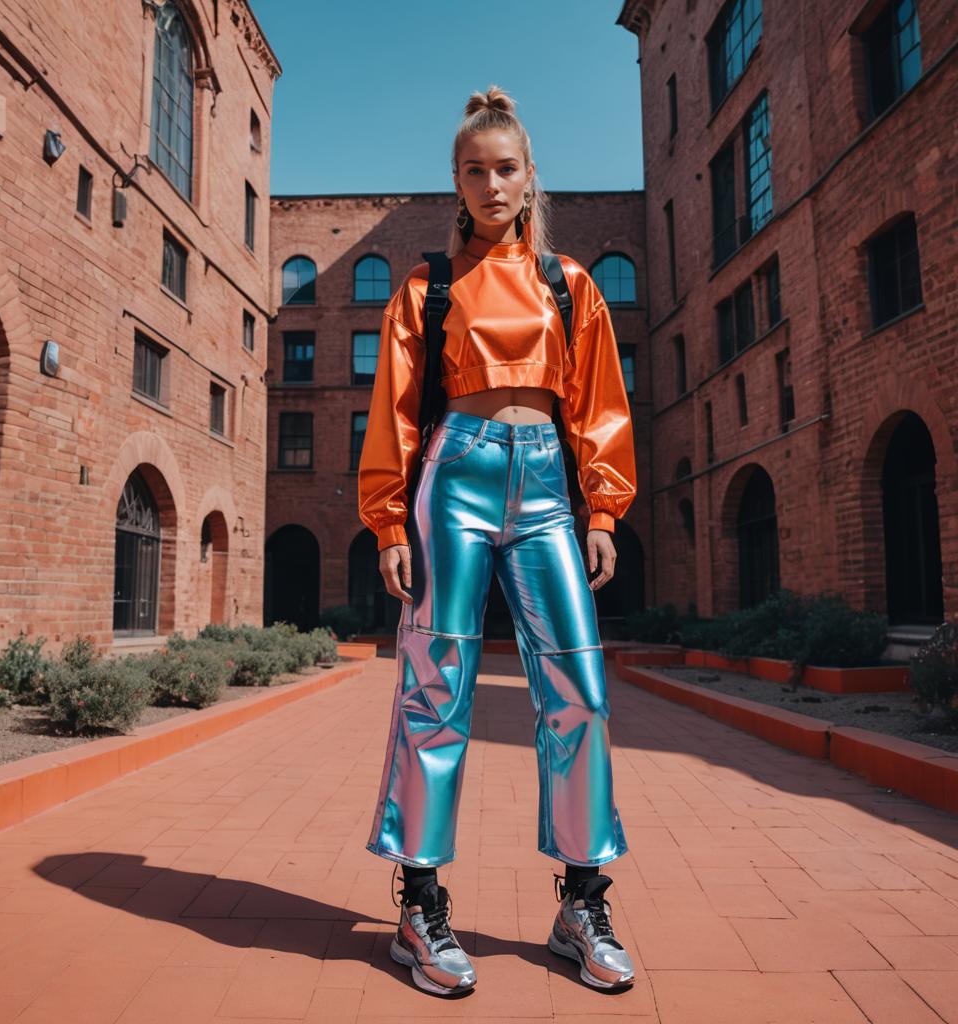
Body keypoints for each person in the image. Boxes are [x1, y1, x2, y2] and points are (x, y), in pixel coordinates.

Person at [357, 84, 637, 997]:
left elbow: (598, 404)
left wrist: (603, 508)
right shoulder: (427, 288)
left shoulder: (570, 285)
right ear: (457, 181)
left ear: (529, 177)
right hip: (457, 476)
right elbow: (396, 410)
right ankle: (419, 905)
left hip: (548, 484)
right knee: (435, 685)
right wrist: (388, 519)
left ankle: (582, 904)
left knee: (579, 689)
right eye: (474, 170)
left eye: (505, 168)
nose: (491, 184)